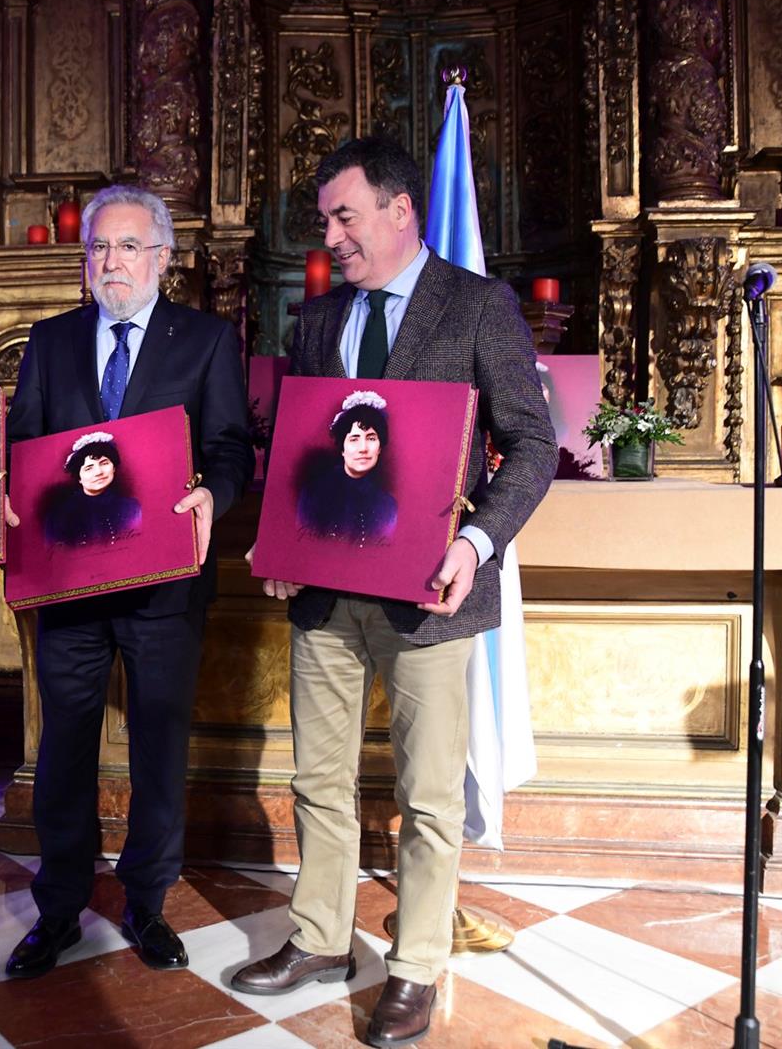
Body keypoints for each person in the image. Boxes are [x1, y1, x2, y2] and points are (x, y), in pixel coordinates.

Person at [235, 138, 556, 1048]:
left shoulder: (478, 305)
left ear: (401, 210)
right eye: (326, 219)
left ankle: (415, 967)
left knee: (426, 795)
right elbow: (300, 449)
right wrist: (282, 541)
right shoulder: (316, 320)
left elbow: (531, 443)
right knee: (318, 780)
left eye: (345, 215)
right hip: (325, 595)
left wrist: (477, 541)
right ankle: (320, 938)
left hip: (430, 594)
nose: (330, 235)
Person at [3, 185, 252, 978]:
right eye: (99, 249)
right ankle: (59, 908)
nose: (111, 262)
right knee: (64, 748)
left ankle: (147, 904)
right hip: (70, 587)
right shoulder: (49, 341)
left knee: (157, 748)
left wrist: (216, 491)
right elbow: (26, 449)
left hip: (165, 587)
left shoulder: (206, 342)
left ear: (162, 259)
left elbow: (231, 447)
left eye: (128, 247)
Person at [296, 391, 398, 546]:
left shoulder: (388, 505)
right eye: (354, 439)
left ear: (379, 448)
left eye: (371, 438)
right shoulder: (312, 495)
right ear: (342, 447)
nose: (363, 448)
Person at [44, 432, 143, 547]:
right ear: (79, 477)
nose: (99, 472)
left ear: (114, 468)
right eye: (89, 468)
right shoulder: (58, 516)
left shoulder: (132, 508)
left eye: (104, 463)